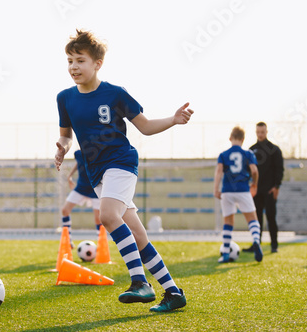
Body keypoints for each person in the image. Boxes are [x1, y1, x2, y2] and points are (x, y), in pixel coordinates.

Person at [54, 29, 193, 312]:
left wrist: (173, 119)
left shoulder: (116, 94)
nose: (73, 67)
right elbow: (66, 134)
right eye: (69, 60)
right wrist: (62, 146)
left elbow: (145, 126)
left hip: (121, 163)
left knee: (107, 215)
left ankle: (139, 282)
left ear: (97, 64)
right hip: (96, 174)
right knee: (138, 235)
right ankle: (173, 292)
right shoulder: (64, 98)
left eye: (80, 60)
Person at [213, 126, 263, 263]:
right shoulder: (248, 154)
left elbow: (219, 172)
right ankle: (256, 241)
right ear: (243, 139)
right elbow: (254, 171)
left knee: (228, 222)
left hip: (227, 191)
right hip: (242, 189)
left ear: (230, 138)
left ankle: (225, 254)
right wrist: (254, 184)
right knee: (252, 219)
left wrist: (216, 189)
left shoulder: (223, 154)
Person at [244, 122, 284, 253]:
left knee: (271, 218)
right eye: (258, 132)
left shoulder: (274, 149)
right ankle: (257, 244)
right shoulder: (251, 150)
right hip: (256, 190)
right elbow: (248, 170)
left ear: (266, 132)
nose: (260, 135)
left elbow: (279, 169)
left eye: (262, 132)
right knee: (257, 218)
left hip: (269, 190)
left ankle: (274, 245)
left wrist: (276, 186)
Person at [61, 149, 102, 248]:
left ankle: (101, 243)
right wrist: (69, 176)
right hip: (81, 187)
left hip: (95, 188)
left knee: (99, 218)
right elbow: (78, 163)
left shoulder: (98, 152)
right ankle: (68, 240)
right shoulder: (78, 153)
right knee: (65, 210)